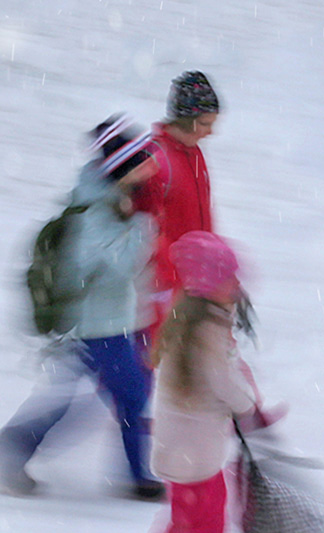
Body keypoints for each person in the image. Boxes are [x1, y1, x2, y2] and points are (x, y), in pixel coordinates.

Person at [0, 115, 165, 501]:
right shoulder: (94, 210)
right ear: (123, 169)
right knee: (129, 395)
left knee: (93, 398)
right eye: (143, 161)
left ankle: (14, 451)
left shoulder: (116, 201)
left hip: (113, 321)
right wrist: (140, 233)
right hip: (97, 326)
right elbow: (95, 267)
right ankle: (136, 478)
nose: (150, 166)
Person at [131, 231, 283, 533]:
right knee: (207, 527)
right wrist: (249, 409)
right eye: (230, 279)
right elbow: (221, 381)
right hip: (196, 451)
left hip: (176, 445)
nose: (237, 286)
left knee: (185, 519)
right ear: (210, 285)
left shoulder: (184, 320)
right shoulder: (207, 331)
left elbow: (212, 376)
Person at [134, 70, 222, 341]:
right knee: (159, 368)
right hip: (165, 292)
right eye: (206, 123)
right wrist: (168, 284)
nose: (211, 132)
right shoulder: (156, 161)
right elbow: (142, 232)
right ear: (187, 119)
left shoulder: (194, 153)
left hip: (197, 287)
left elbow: (204, 220)